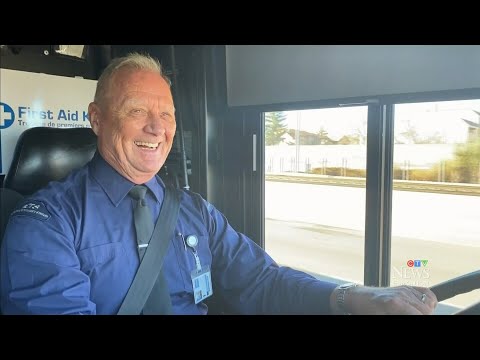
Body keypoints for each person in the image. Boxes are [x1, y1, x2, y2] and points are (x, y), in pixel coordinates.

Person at [0, 53, 438, 315]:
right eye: (137, 111)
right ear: (97, 119)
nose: (157, 128)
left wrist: (354, 297)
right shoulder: (44, 225)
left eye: (167, 114)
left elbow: (264, 282)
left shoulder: (193, 212)